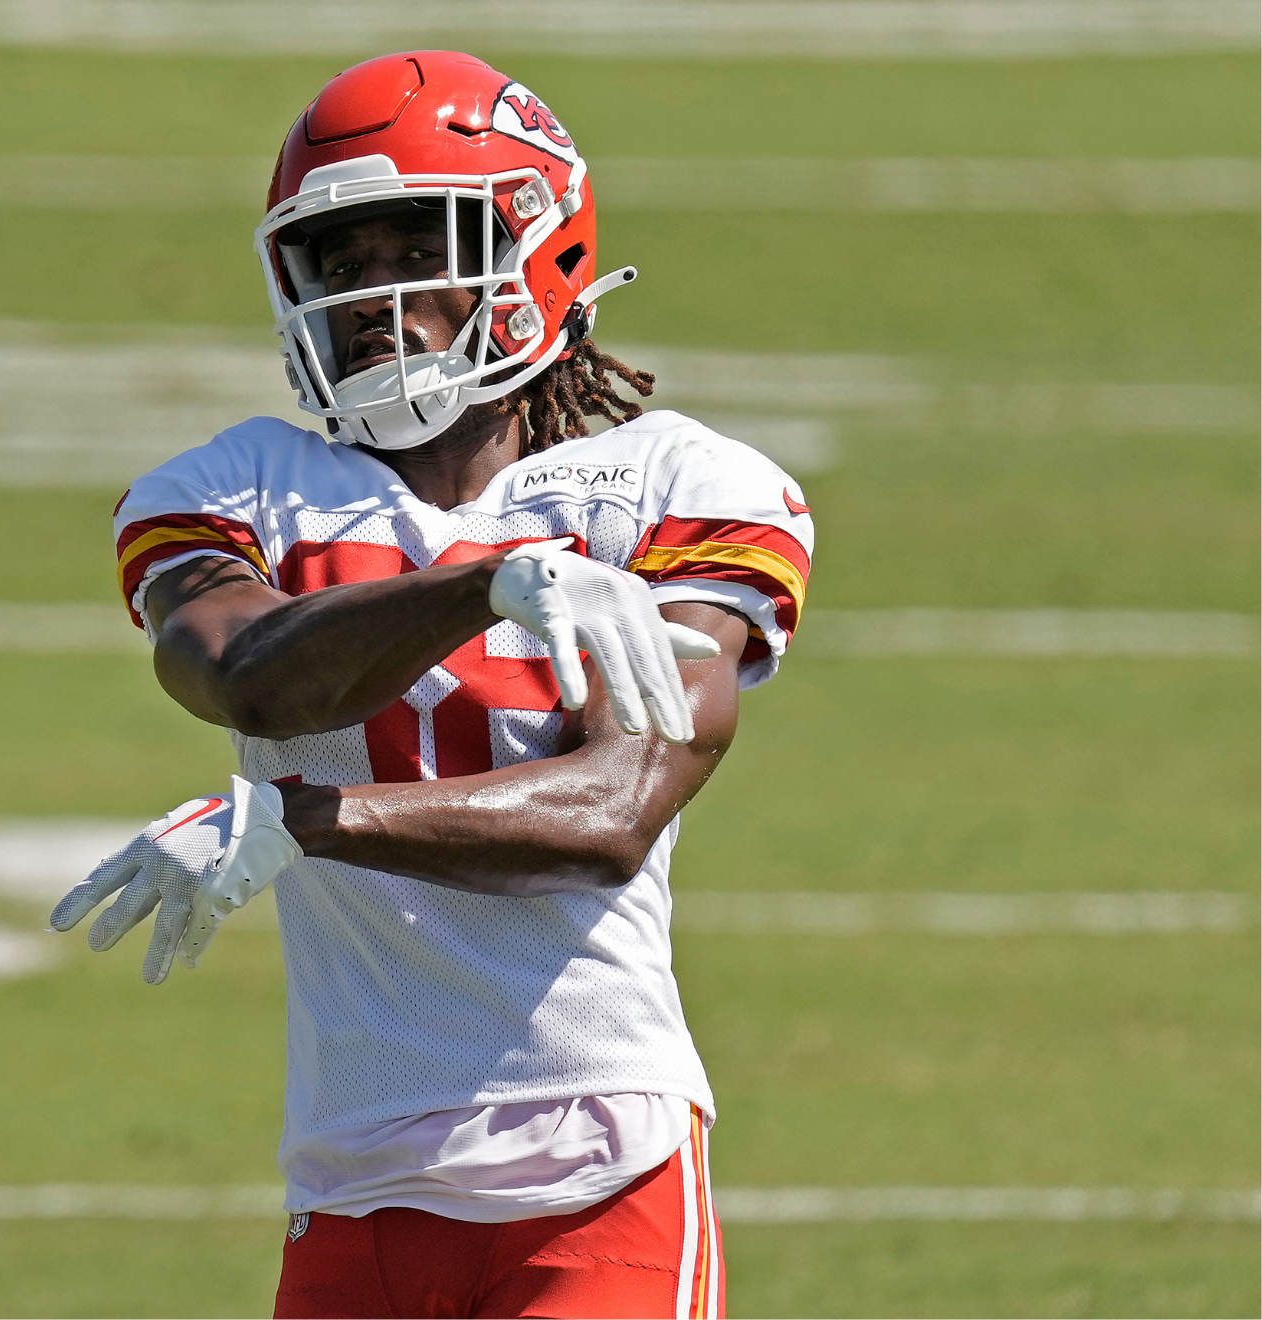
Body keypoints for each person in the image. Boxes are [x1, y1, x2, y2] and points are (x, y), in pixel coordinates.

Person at [51, 50, 814, 1320]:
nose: (368, 297)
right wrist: (482, 587)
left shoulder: (682, 486)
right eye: (338, 265)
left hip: (597, 1166)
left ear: (538, 251)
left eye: (416, 249)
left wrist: (306, 824)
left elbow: (613, 812)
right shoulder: (234, 489)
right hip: (354, 1177)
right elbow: (245, 677)